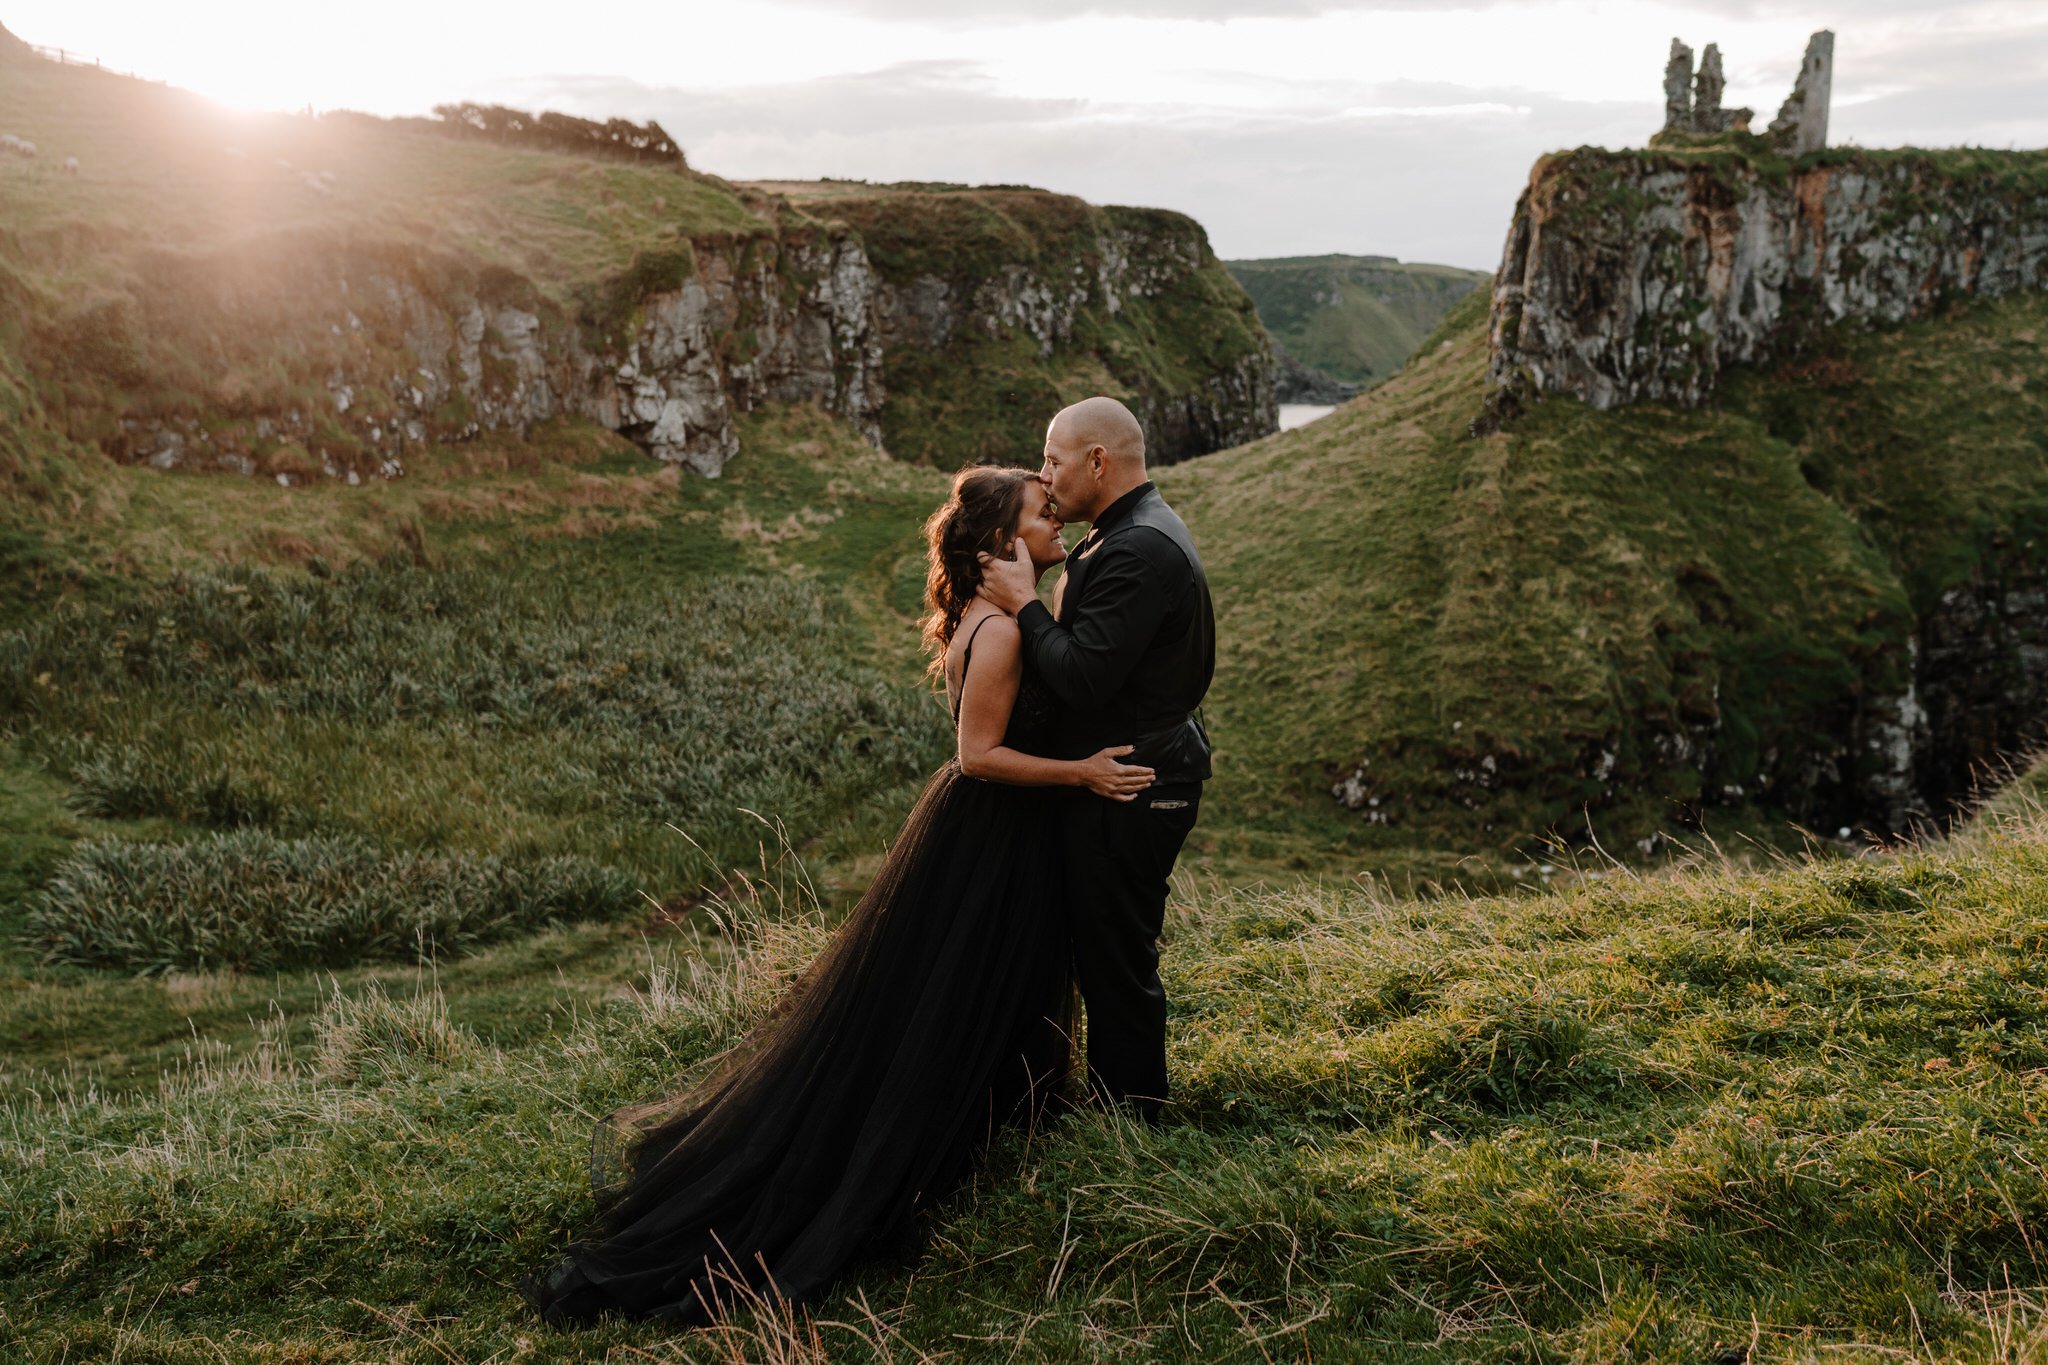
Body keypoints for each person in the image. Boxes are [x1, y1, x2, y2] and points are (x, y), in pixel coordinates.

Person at [523, 465, 1153, 1327]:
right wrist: (1080, 770)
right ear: (1003, 542)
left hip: (988, 829)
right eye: (1044, 516)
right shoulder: (1003, 632)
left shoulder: (998, 614)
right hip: (993, 834)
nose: (1057, 525)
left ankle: (997, 1133)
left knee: (960, 997)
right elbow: (978, 755)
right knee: (954, 1003)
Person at [977, 396, 1215, 1124]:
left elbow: (1082, 675)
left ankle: (1133, 1118)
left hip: (1134, 784)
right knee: (1108, 947)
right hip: (1131, 773)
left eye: (1052, 458)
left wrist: (1023, 604)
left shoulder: (1136, 548)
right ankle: (1119, 1102)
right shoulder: (1126, 531)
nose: (1044, 476)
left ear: (1098, 461)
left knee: (1116, 957)